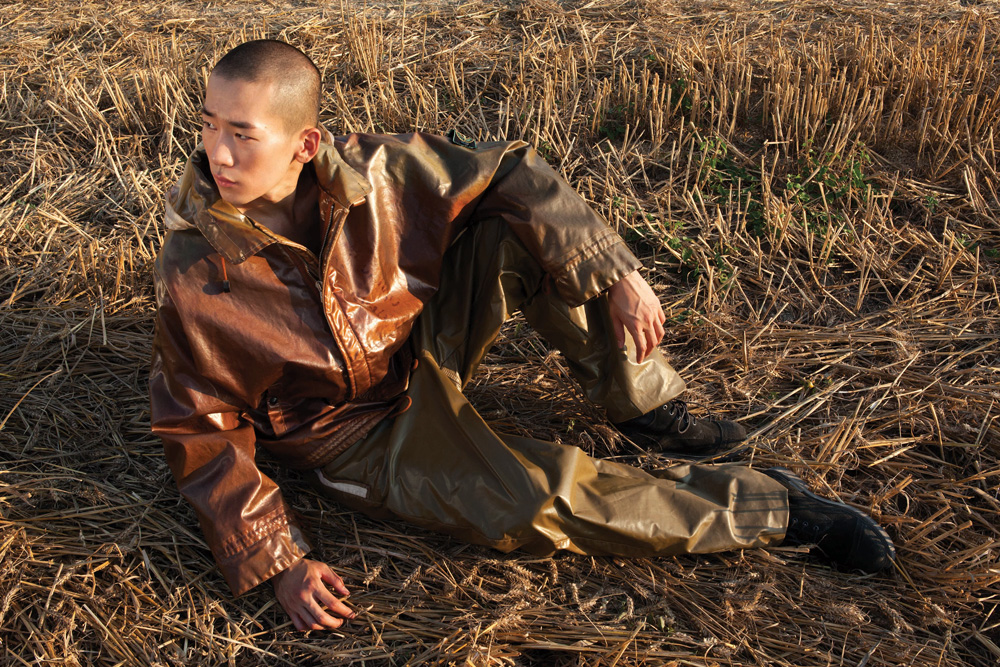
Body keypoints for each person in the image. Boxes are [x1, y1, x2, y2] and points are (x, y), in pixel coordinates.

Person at [149, 40, 895, 633]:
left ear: (307, 143)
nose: (217, 153)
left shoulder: (374, 170)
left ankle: (647, 409)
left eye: (242, 134)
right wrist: (279, 562)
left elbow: (508, 169)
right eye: (210, 126)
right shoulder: (196, 271)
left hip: (414, 343)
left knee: (523, 229)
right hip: (354, 434)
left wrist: (615, 270)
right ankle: (776, 508)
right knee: (530, 505)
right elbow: (200, 428)